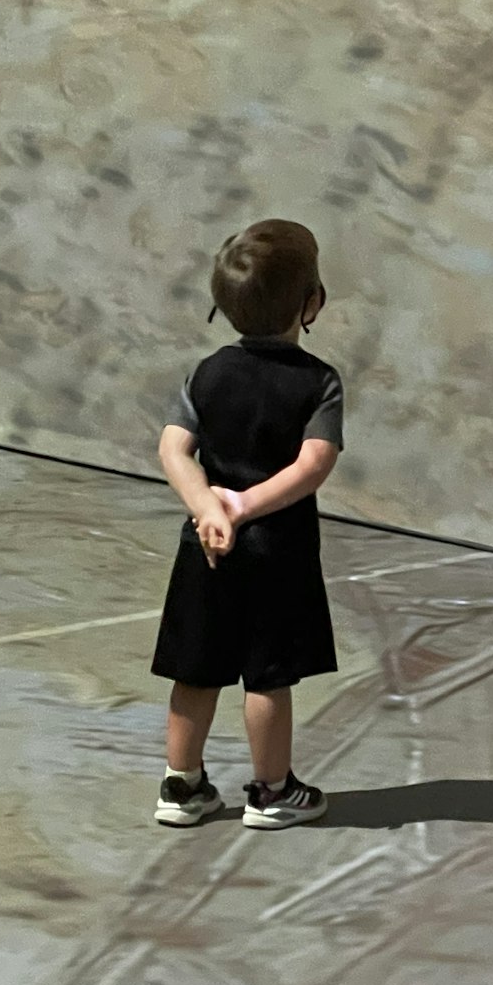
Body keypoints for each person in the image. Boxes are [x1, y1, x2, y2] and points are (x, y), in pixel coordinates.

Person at [151, 219, 344, 830]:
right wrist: (244, 506)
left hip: (205, 547)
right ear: (312, 302)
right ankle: (271, 791)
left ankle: (181, 789)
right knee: (267, 676)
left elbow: (173, 450)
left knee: (196, 668)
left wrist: (210, 507)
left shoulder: (206, 373)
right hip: (277, 549)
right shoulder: (319, 382)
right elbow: (314, 464)